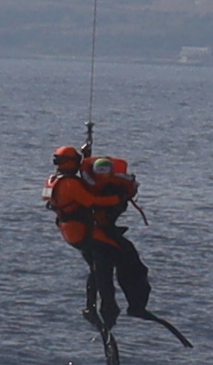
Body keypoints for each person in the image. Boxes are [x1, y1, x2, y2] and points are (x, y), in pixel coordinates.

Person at [45, 139, 151, 344]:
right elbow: (91, 201)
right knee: (123, 257)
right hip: (85, 232)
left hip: (72, 232)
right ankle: (123, 306)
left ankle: (95, 307)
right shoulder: (70, 184)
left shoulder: (55, 180)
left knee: (99, 266)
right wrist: (117, 199)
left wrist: (86, 157)